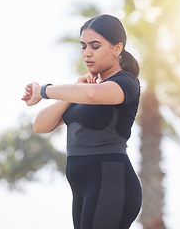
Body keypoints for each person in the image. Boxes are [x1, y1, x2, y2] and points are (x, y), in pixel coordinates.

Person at [22, 14, 142, 229]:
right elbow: (40, 125)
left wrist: (43, 90)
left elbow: (93, 96)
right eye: (83, 46)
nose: (87, 53)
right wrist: (73, 89)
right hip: (82, 190)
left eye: (95, 46)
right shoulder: (84, 89)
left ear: (117, 48)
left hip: (111, 183)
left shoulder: (125, 83)